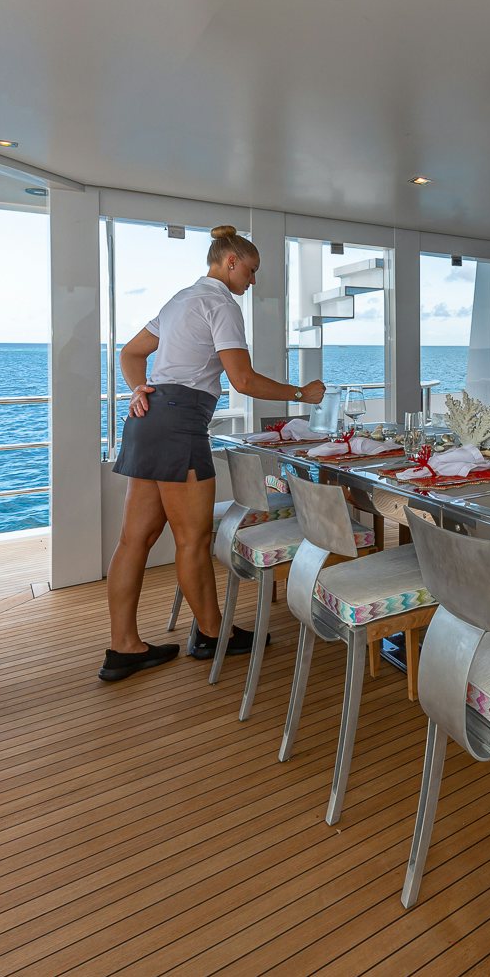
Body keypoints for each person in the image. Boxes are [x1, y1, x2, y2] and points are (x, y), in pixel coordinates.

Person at [100, 225, 326, 681]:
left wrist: (138, 388)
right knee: (192, 540)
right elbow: (243, 380)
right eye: (252, 270)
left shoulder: (179, 300)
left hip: (148, 422)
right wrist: (303, 393)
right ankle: (210, 633)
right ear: (230, 262)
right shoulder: (221, 304)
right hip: (181, 425)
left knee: (133, 540)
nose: (253, 282)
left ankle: (123, 647)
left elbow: (130, 354)